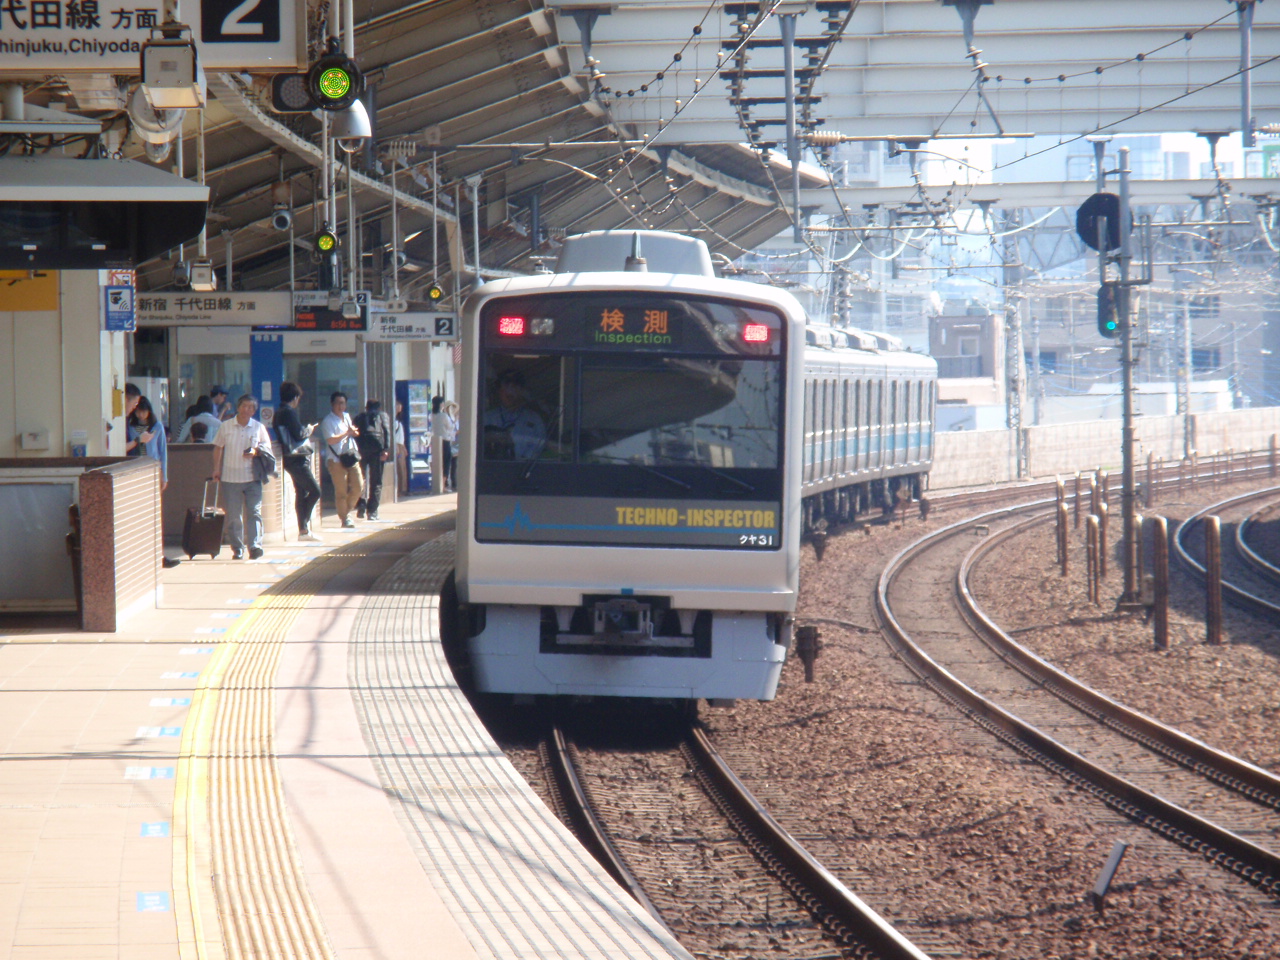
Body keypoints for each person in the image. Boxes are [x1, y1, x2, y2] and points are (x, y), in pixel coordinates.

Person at [211, 394, 272, 560]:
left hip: (253, 477)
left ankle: (255, 546)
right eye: (244, 406)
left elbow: (267, 449)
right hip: (230, 477)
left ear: (254, 410)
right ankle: (237, 548)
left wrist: (255, 452)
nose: (247, 410)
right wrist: (216, 469)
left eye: (251, 407)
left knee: (254, 512)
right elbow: (218, 447)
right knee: (234, 516)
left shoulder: (258, 427)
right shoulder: (226, 426)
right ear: (238, 407)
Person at [274, 381, 323, 542]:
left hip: (289, 458)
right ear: (295, 397)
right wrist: (309, 429)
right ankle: (304, 525)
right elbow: (298, 433)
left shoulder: (278, 412)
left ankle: (303, 531)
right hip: (297, 459)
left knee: (301, 493)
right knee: (315, 491)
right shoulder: (288, 412)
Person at [321, 391, 363, 529]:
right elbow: (330, 440)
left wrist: (353, 432)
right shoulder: (328, 421)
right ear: (332, 404)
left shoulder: (346, 417)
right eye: (338, 403)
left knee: (359, 486)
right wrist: (347, 433)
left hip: (350, 457)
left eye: (343, 403)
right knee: (341, 491)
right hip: (336, 459)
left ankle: (347, 510)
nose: (340, 406)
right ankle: (345, 518)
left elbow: (352, 433)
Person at [482, 369, 545, 460]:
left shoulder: (535, 420)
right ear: (499, 390)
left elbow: (538, 447)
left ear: (522, 391)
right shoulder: (486, 418)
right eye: (506, 385)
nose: (510, 390)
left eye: (515, 386)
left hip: (523, 470)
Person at [354, 398, 392, 521]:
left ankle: (361, 504)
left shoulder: (360, 417)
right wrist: (386, 449)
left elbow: (354, 433)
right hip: (377, 451)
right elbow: (386, 431)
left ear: (366, 407)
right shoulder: (382, 416)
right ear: (379, 407)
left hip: (362, 450)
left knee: (361, 479)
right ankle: (373, 511)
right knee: (376, 481)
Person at [128, 396, 169, 490]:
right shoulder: (131, 427)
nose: (141, 415)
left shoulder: (157, 426)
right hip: (136, 466)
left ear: (149, 411)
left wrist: (164, 476)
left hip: (153, 466)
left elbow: (162, 451)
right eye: (138, 412)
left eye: (144, 411)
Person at [444, 401, 460, 491]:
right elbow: (451, 430)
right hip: (448, 442)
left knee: (454, 464)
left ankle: (454, 483)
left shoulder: (454, 417)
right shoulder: (446, 418)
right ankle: (446, 482)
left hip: (455, 443)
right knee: (447, 463)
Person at [394, 400, 409, 496]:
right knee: (399, 468)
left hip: (401, 445)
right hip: (397, 445)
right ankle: (399, 489)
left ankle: (403, 488)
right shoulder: (394, 422)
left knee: (402, 468)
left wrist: (404, 447)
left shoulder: (398, 421)